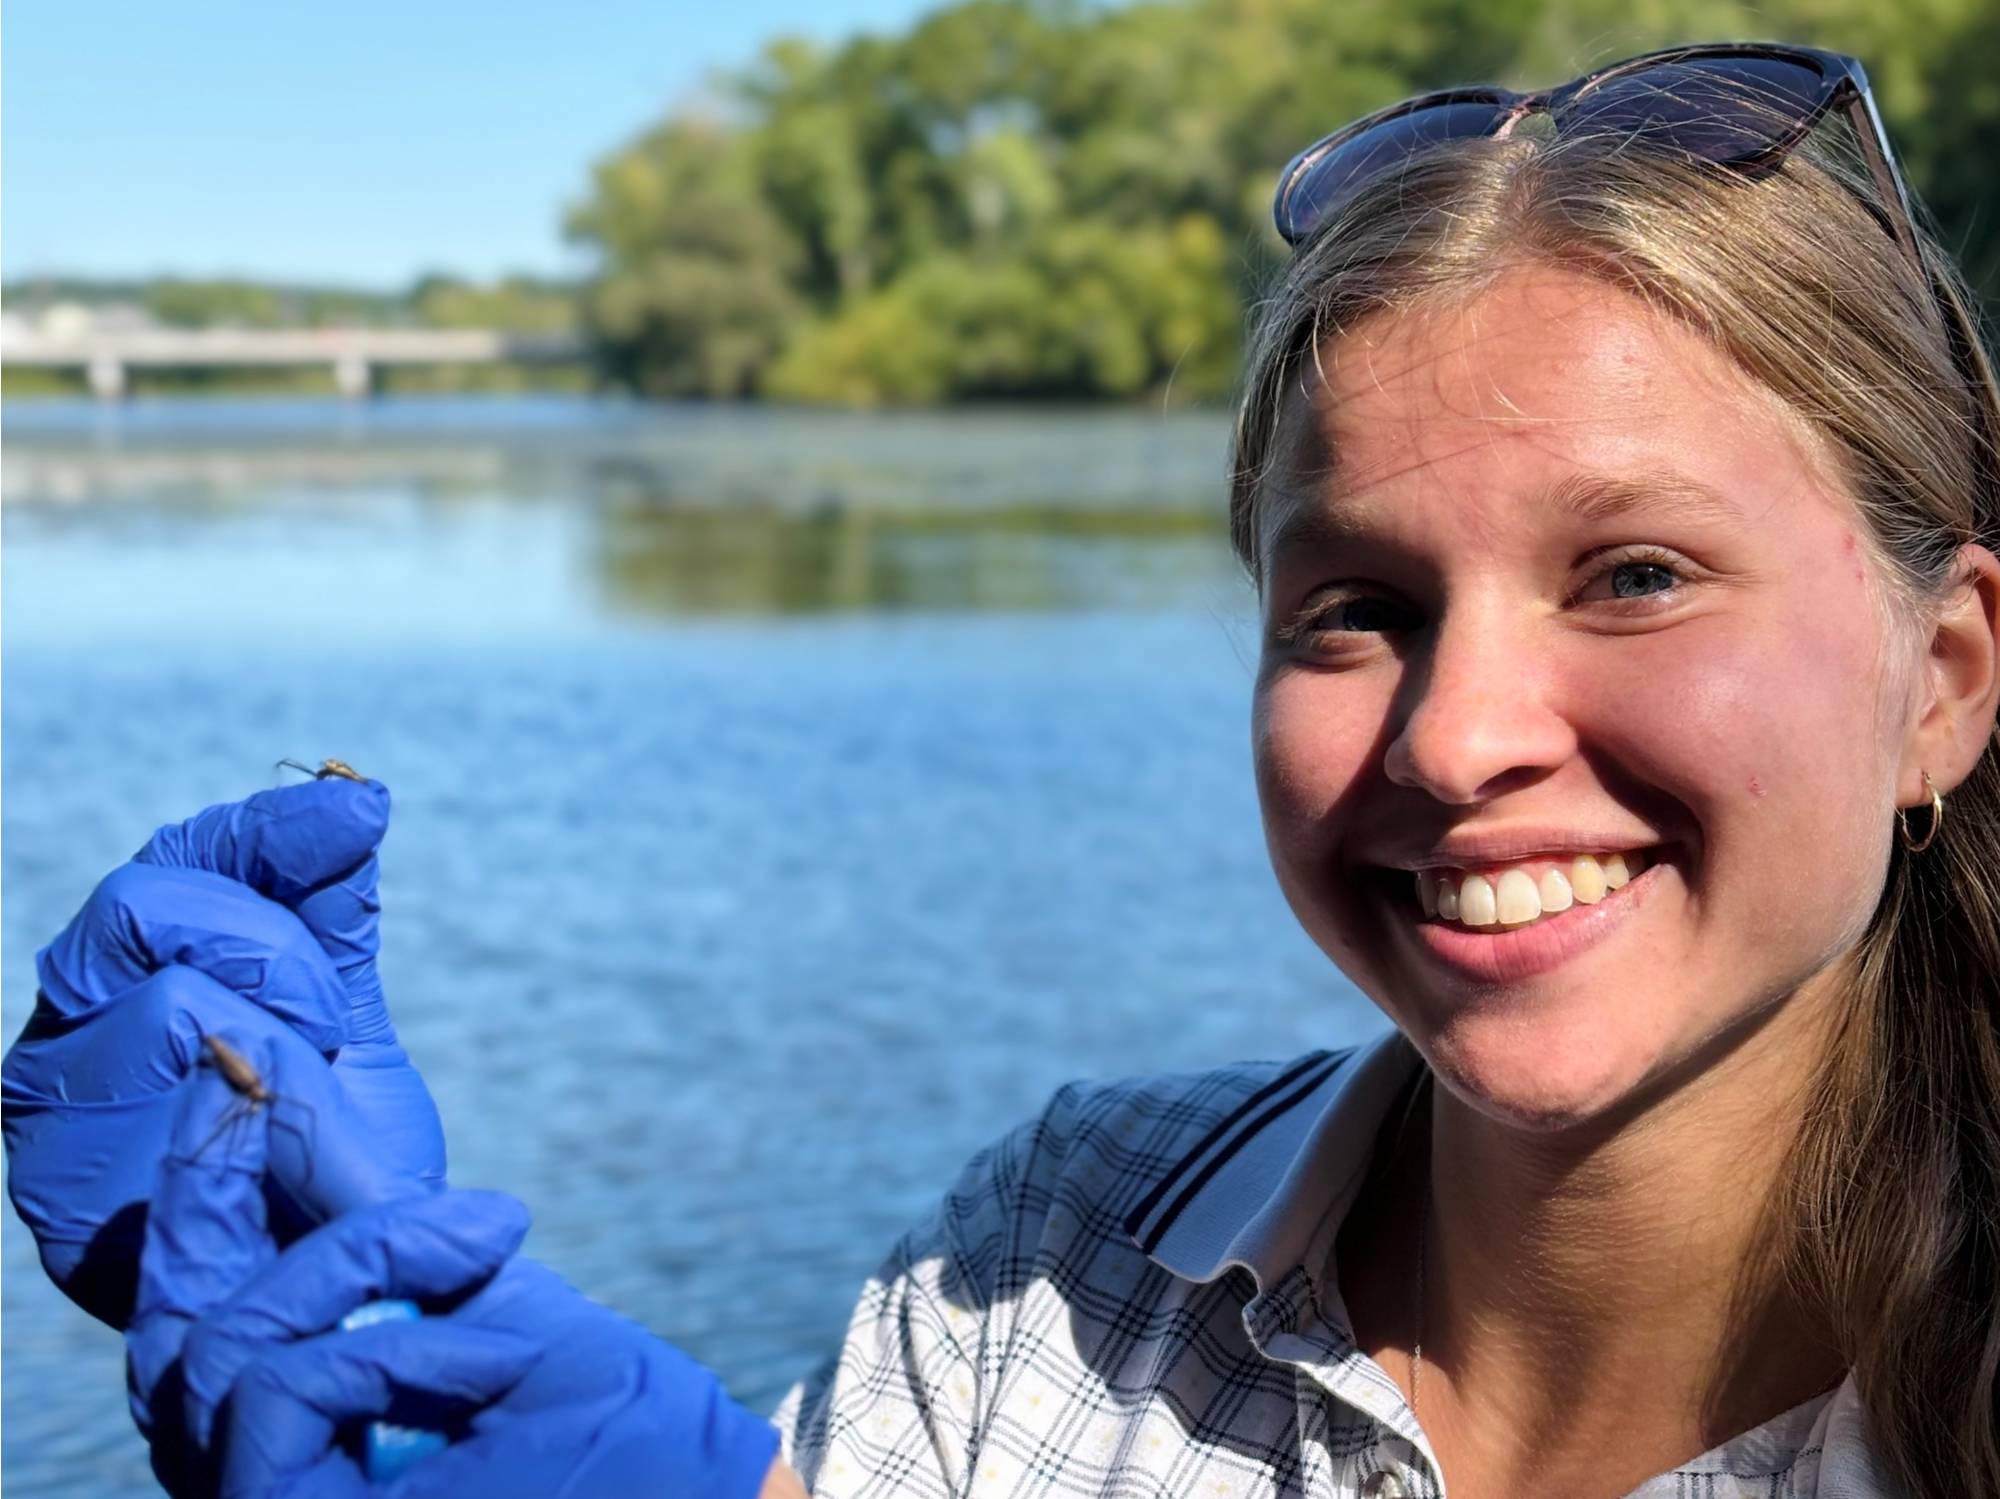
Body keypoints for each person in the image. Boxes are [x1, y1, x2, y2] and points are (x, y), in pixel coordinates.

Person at [7, 38, 2000, 1499]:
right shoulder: (1057, 1255)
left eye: (1635, 576)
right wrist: (344, 1305)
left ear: (1944, 680)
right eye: (1355, 607)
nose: (1460, 734)